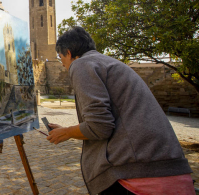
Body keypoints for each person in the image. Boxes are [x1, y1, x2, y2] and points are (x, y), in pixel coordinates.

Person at [46, 26, 194, 195]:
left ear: (69, 53)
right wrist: (67, 130)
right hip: (169, 172)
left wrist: (68, 132)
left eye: (61, 58)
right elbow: (110, 120)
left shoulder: (81, 64)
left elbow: (99, 127)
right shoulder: (109, 63)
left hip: (139, 176)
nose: (63, 65)